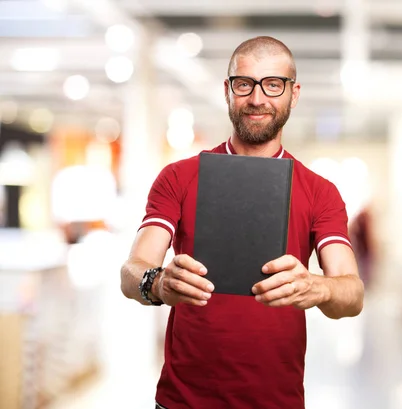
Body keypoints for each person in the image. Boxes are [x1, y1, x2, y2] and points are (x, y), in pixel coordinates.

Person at [120, 36, 364, 409]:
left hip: (276, 401)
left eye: (273, 84)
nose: (257, 99)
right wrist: (159, 282)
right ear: (228, 90)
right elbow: (131, 271)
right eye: (244, 84)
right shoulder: (179, 177)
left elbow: (352, 293)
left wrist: (318, 288)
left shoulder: (320, 192)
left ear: (293, 94)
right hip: (183, 401)